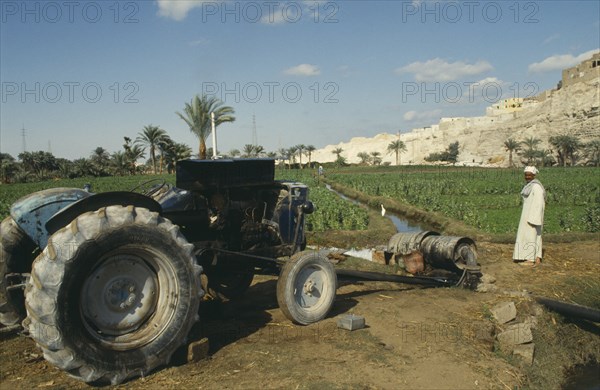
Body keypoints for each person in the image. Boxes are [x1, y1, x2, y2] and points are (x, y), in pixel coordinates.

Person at [513, 166, 546, 267]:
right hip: (527, 214)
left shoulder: (536, 187)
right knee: (534, 237)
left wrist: (534, 218)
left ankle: (530, 259)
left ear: (534, 175)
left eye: (529, 175)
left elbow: (539, 203)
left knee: (531, 236)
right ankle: (536, 258)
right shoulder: (529, 186)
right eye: (526, 175)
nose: (527, 177)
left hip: (532, 217)